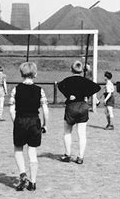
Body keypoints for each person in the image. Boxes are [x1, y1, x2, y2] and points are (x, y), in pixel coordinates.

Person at [9, 62, 49, 191]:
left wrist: (16, 122)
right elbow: (45, 109)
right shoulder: (40, 90)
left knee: (18, 149)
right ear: (35, 74)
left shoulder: (16, 89)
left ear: (21, 73)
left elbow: (11, 109)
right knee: (32, 152)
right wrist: (45, 124)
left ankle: (22, 175)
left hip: (20, 120)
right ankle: (33, 182)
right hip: (34, 121)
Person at [57, 60, 101, 164]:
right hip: (83, 106)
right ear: (82, 70)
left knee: (67, 132)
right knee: (82, 133)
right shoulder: (85, 81)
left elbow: (59, 86)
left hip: (71, 106)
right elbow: (97, 87)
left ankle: (67, 155)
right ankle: (80, 157)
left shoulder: (67, 80)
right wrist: (86, 94)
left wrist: (68, 95)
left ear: (71, 69)